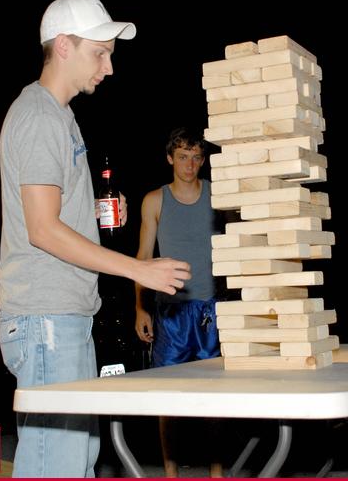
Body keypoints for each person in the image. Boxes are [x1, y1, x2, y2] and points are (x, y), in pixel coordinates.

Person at [0, 0, 191, 478]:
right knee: (53, 466)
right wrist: (137, 269)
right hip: (44, 318)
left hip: (64, 315)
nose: (108, 67)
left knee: (76, 461)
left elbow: (56, 217)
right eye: (99, 53)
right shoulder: (39, 115)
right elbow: (42, 230)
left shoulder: (61, 117)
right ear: (64, 45)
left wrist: (96, 216)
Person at [134, 127, 223, 477]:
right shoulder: (155, 200)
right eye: (183, 156)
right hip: (170, 311)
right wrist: (140, 308)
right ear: (170, 158)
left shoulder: (218, 195)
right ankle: (170, 473)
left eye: (196, 157)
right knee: (167, 396)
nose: (190, 163)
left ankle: (217, 471)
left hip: (211, 308)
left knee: (216, 396)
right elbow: (142, 257)